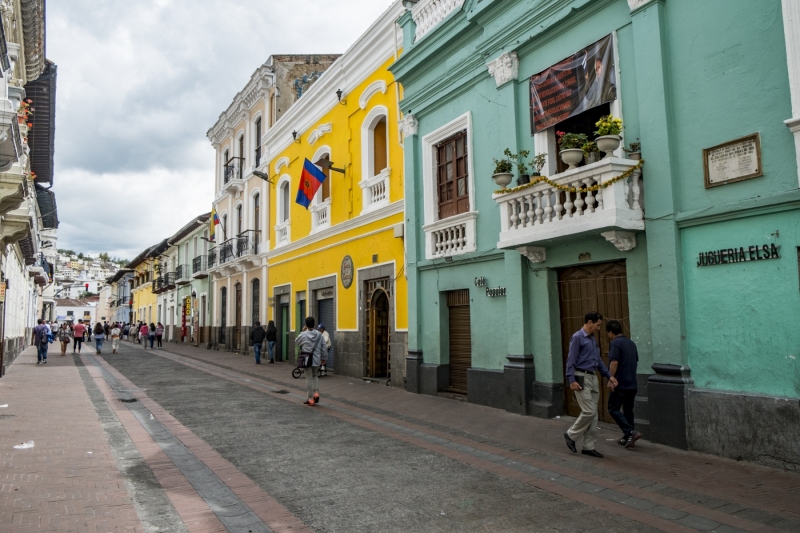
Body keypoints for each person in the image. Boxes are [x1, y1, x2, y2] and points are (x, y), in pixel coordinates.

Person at [563, 311, 618, 458]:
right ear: (589, 322)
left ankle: (588, 446)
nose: (599, 328)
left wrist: (609, 376)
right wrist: (571, 380)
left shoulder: (592, 339)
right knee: (589, 411)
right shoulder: (577, 338)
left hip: (593, 377)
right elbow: (571, 360)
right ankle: (571, 435)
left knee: (593, 414)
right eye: (597, 325)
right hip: (581, 377)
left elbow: (598, 360)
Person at [606, 320, 642, 449]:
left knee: (613, 408)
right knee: (628, 410)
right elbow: (635, 360)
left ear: (610, 332)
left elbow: (614, 362)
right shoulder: (631, 343)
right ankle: (628, 438)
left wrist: (611, 379)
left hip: (620, 383)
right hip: (632, 383)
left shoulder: (615, 343)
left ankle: (630, 432)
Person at [295, 316, 327, 406]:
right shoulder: (319, 334)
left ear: (306, 324)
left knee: (308, 378)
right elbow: (324, 347)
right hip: (316, 359)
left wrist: (302, 331)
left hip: (306, 359)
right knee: (315, 376)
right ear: (314, 323)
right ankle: (316, 392)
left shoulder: (304, 334)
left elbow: (297, 342)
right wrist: (324, 358)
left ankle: (310, 398)